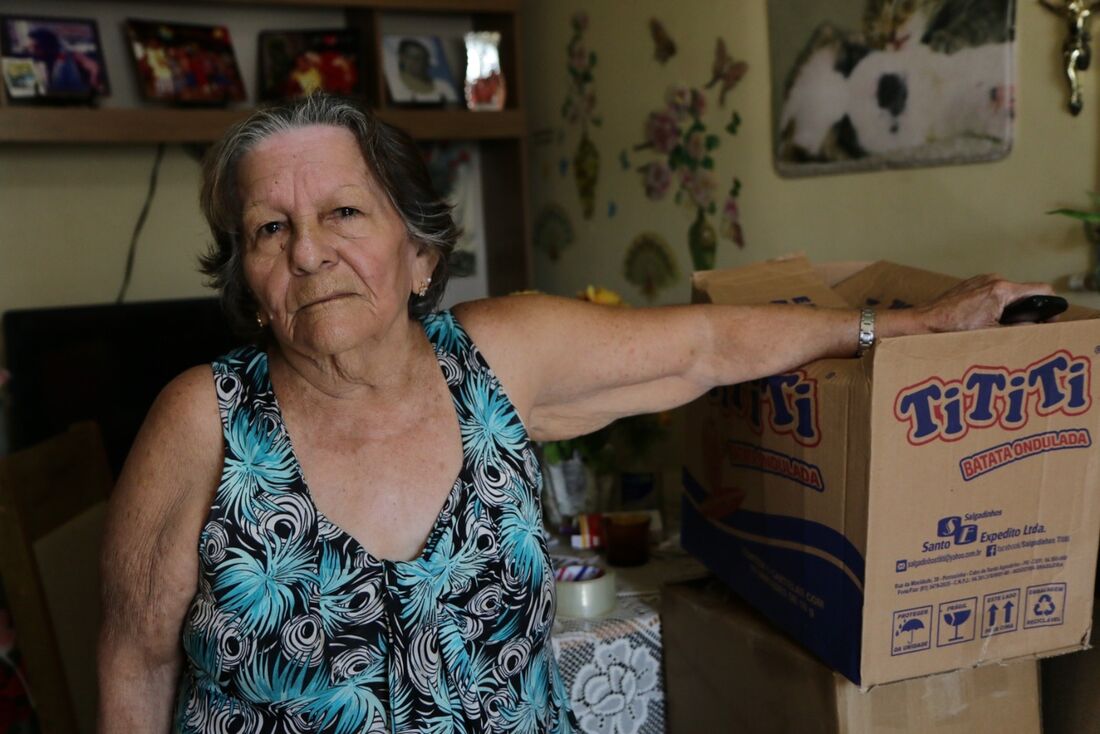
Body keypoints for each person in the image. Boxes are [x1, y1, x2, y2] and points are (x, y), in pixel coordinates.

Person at [96, 93, 1051, 731]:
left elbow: (705, 346)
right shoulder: (202, 419)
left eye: (345, 214)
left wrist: (902, 326)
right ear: (250, 283)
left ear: (421, 254)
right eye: (271, 229)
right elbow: (135, 665)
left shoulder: (499, 360)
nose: (309, 253)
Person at [394, 37, 458, 103]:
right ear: (401, 58)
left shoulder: (444, 88)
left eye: (419, 58)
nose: (413, 61)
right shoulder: (394, 86)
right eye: (409, 56)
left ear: (427, 61)